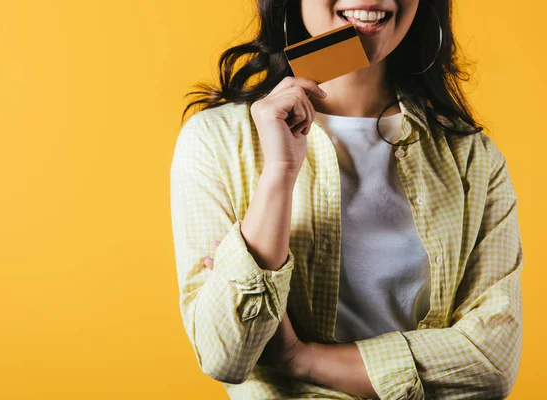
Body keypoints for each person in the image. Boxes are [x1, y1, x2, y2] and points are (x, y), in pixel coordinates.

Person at [169, 0, 524, 398]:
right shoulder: (216, 142)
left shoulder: (472, 157)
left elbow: (493, 363)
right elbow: (225, 356)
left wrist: (300, 359)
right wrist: (279, 176)